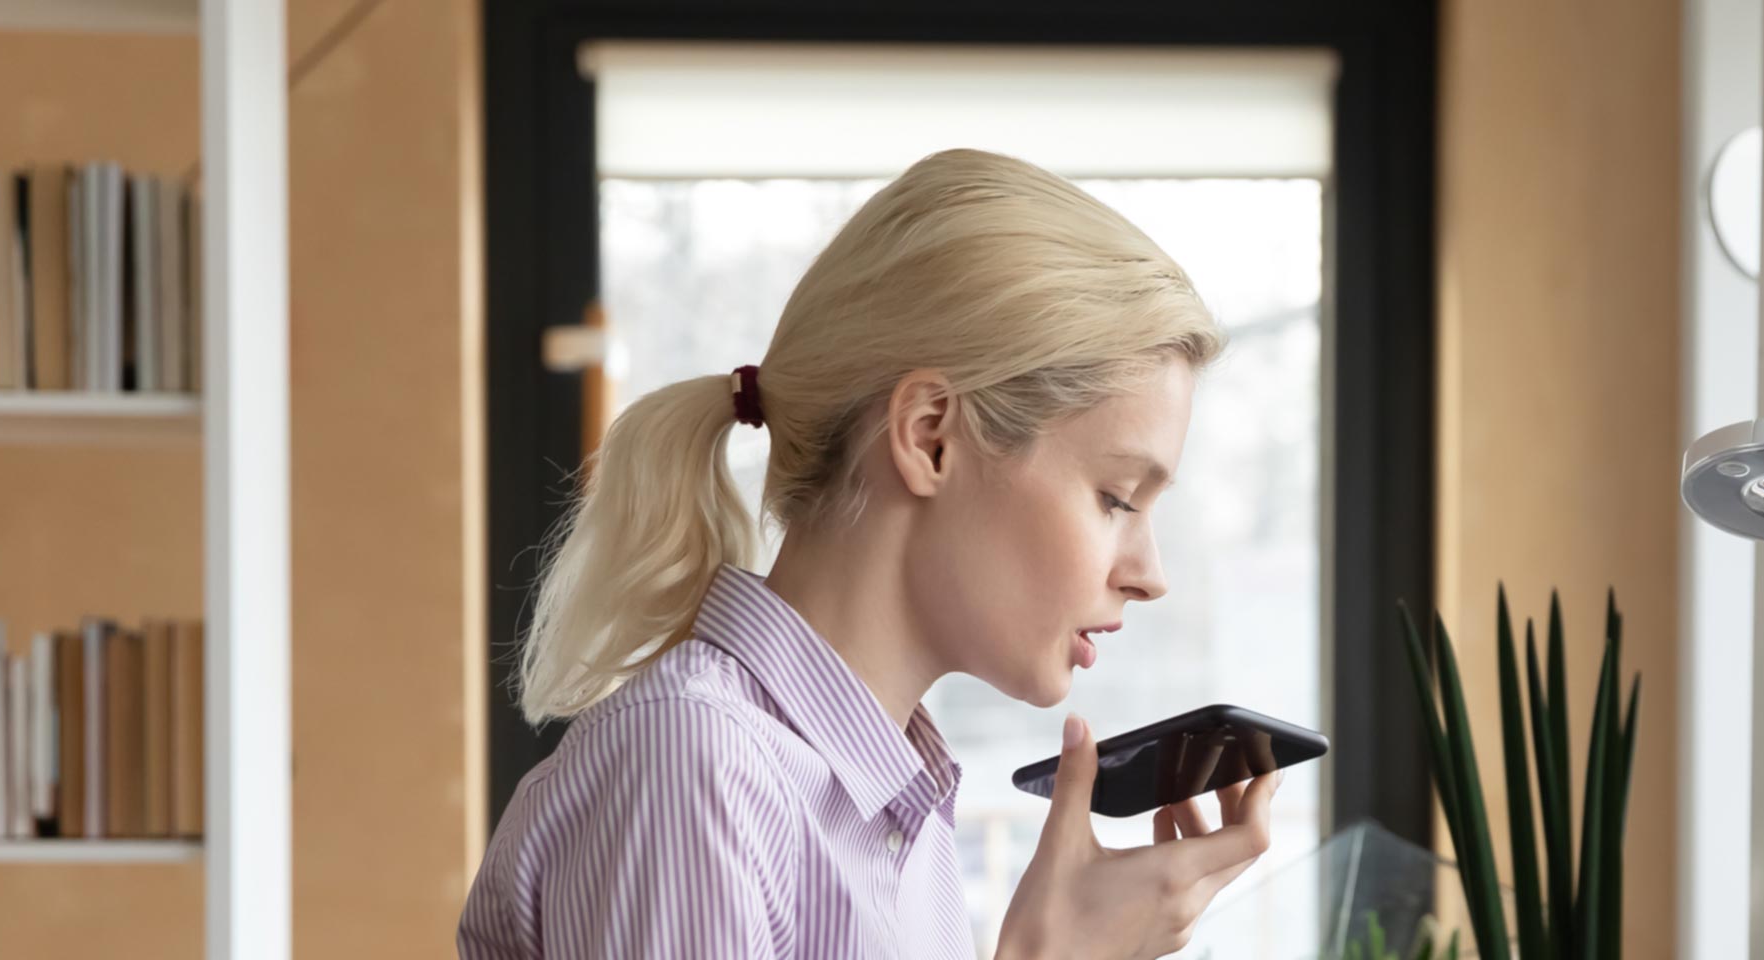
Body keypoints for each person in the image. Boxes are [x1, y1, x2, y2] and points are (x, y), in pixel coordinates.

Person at [457, 149, 1278, 959]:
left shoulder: (900, 817)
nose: (1151, 574)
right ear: (930, 438)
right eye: (1116, 499)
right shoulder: (693, 766)